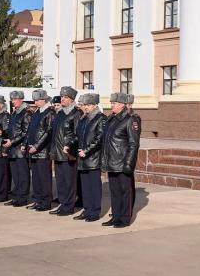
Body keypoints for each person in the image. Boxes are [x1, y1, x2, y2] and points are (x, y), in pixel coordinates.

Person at [100, 92, 140, 228]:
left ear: (123, 105)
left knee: (125, 192)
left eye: (115, 103)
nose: (112, 105)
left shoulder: (130, 120)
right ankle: (115, 216)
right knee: (115, 192)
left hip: (123, 163)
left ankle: (124, 218)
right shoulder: (111, 119)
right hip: (111, 162)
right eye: (111, 103)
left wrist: (129, 163)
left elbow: (133, 144)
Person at [49, 86, 81, 216]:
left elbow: (78, 134)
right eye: (61, 97)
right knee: (60, 181)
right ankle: (62, 204)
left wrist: (69, 146)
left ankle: (68, 206)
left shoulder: (76, 113)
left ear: (71, 99)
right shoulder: (60, 113)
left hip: (68, 153)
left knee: (69, 182)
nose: (62, 99)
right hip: (57, 152)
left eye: (65, 97)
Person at [74, 93, 106, 221]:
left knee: (94, 187)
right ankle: (87, 210)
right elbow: (79, 136)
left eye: (87, 105)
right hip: (82, 158)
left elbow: (99, 138)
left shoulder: (101, 118)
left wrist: (86, 151)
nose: (85, 107)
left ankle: (94, 212)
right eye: (84, 105)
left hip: (93, 159)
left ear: (94, 105)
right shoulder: (84, 118)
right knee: (85, 188)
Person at [24, 90, 55, 212]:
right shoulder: (37, 112)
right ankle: (38, 200)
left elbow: (48, 132)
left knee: (44, 178)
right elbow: (30, 130)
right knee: (36, 177)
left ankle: (46, 202)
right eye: (34, 100)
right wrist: (26, 144)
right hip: (32, 149)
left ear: (44, 100)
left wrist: (36, 146)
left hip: (42, 151)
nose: (35, 102)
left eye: (37, 100)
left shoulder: (50, 113)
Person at [2, 91, 32, 207]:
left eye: (15, 99)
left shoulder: (26, 113)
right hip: (12, 150)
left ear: (21, 99)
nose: (13, 102)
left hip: (20, 150)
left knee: (23, 175)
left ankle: (22, 198)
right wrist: (3, 133)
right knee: (16, 176)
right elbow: (11, 131)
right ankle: (16, 197)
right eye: (12, 100)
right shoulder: (14, 113)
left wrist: (12, 142)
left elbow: (26, 133)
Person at [124, 94, 141, 207]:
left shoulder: (134, 118)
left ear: (129, 105)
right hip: (118, 154)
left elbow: (134, 140)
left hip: (128, 153)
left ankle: (128, 207)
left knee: (128, 184)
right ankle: (120, 208)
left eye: (125, 104)